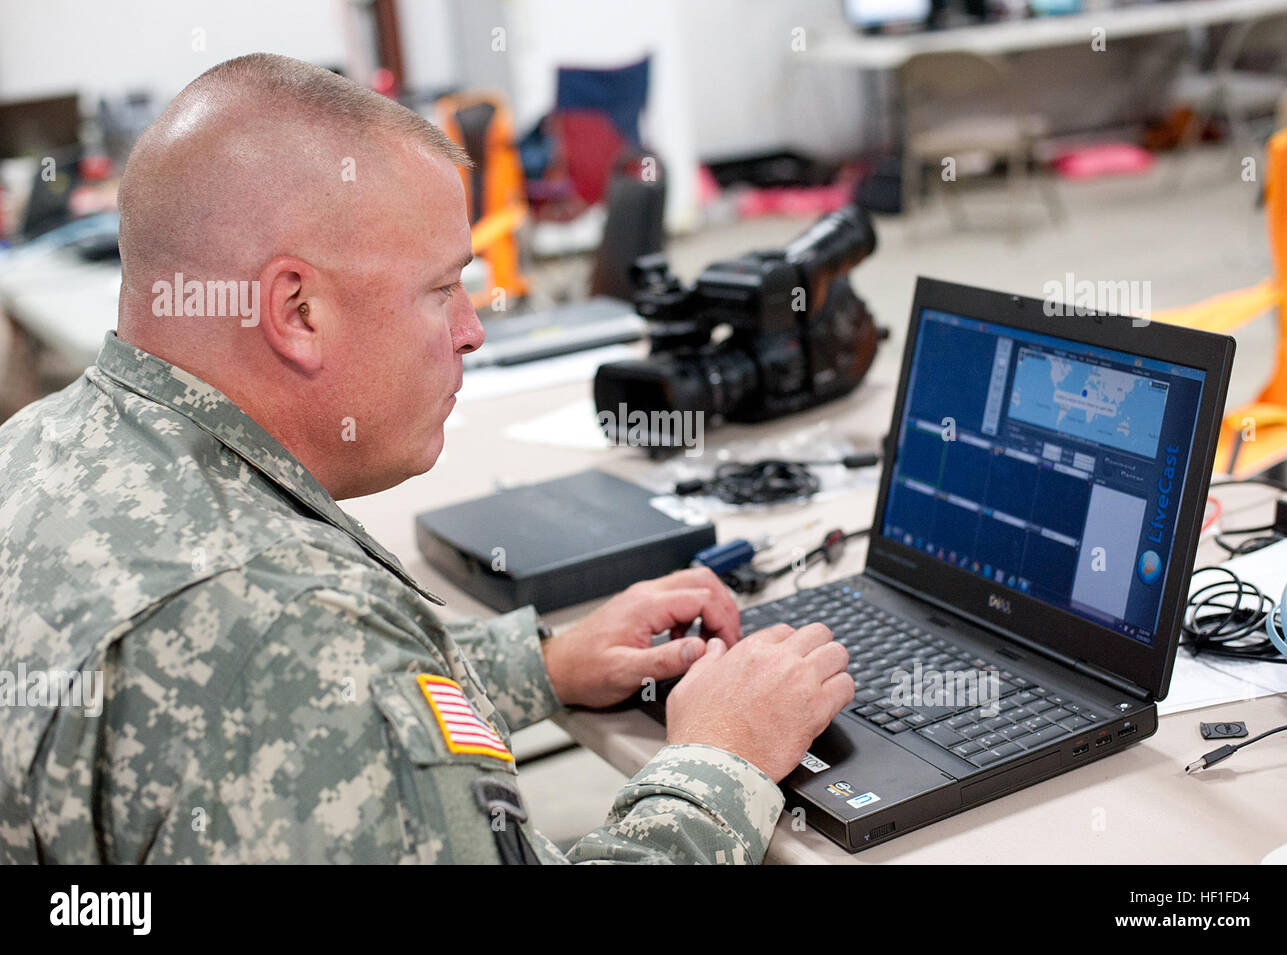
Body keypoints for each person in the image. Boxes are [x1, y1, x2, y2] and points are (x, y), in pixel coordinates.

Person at [0, 53, 852, 864]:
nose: (472, 329)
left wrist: (540, 665)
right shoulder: (295, 633)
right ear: (297, 310)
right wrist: (721, 758)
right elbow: (305, 682)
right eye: (443, 289)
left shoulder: (38, 445)